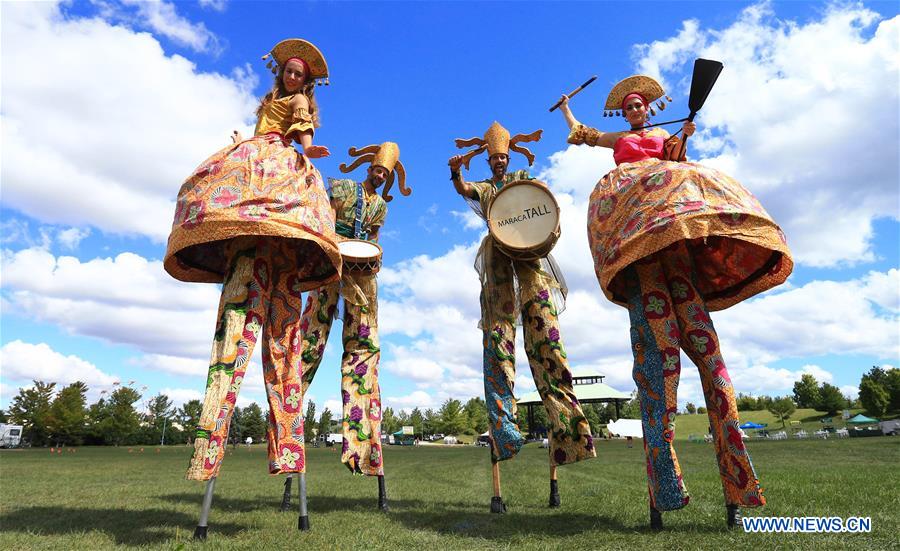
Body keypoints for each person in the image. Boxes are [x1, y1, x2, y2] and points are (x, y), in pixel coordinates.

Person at [558, 75, 792, 529]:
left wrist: (682, 136)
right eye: (628, 107)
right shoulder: (620, 140)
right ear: (623, 114)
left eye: (640, 105)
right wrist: (567, 108)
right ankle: (663, 493)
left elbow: (677, 163)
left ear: (649, 107)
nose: (635, 111)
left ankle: (738, 490)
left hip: (678, 262)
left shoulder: (664, 136)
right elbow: (583, 135)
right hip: (643, 263)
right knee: (657, 368)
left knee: (713, 363)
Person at [164, 38, 341, 483]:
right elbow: (269, 123)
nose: (293, 77)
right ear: (279, 72)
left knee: (283, 336)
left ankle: (287, 449)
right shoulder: (270, 101)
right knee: (235, 328)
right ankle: (209, 447)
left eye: (300, 73)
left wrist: (307, 147)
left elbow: (302, 129)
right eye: (288, 70)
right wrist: (245, 141)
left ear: (307, 81)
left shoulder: (299, 101)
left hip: (279, 169)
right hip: (254, 162)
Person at [449, 122, 595, 513]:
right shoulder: (484, 187)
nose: (497, 163)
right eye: (493, 158)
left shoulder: (520, 179)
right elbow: (465, 190)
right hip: (497, 264)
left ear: (508, 158)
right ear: (487, 159)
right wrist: (456, 172)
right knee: (497, 345)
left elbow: (539, 204)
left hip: (529, 261)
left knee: (547, 344)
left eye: (501, 157)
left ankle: (568, 435)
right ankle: (504, 434)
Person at [298, 142, 410, 478]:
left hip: (361, 276)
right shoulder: (344, 188)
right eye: (377, 169)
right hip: (330, 264)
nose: (379, 175)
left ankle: (361, 447)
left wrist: (375, 254)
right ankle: (290, 413)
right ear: (369, 168)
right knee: (310, 339)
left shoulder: (381, 206)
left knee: (364, 346)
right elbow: (323, 213)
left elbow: (375, 238)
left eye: (385, 173)